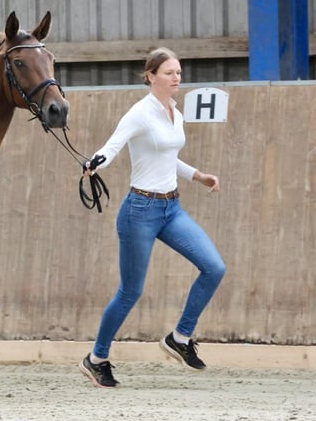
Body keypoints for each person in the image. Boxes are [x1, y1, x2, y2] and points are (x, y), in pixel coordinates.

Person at [79, 47, 226, 388]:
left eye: (179, 72)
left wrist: (198, 176)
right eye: (170, 73)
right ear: (151, 76)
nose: (177, 78)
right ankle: (97, 358)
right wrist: (93, 163)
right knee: (131, 292)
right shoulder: (139, 113)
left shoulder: (175, 111)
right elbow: (112, 146)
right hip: (140, 211)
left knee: (214, 267)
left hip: (171, 209)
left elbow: (167, 156)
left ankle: (180, 337)